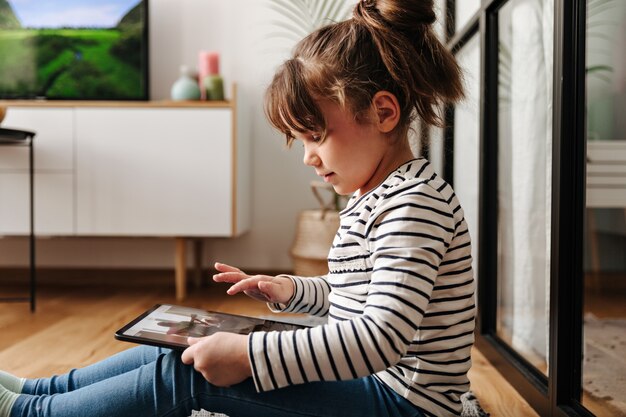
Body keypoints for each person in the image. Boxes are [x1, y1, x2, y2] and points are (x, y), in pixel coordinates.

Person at [0, 0, 474, 415]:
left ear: (383, 113)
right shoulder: (381, 194)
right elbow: (360, 296)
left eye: (315, 136)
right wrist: (291, 289)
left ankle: (30, 414)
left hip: (400, 403)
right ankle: (42, 393)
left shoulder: (413, 205)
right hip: (375, 384)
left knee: (191, 375)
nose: (308, 156)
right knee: (183, 346)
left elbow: (378, 339)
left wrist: (250, 356)